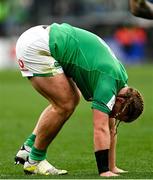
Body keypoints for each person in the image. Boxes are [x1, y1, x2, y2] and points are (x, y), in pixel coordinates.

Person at [15, 23, 144, 177]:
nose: (114, 117)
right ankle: (35, 160)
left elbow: (110, 129)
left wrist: (112, 167)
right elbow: (101, 128)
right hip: (38, 46)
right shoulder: (108, 84)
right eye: (118, 115)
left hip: (42, 37)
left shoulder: (120, 80)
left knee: (71, 99)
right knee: (65, 104)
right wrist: (104, 171)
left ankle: (28, 148)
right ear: (121, 101)